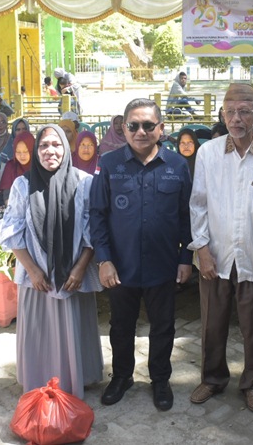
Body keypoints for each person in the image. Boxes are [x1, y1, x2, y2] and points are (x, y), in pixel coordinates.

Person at [187, 83, 253, 413]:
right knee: (212, 323)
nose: (236, 118)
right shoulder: (208, 153)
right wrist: (202, 249)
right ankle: (212, 378)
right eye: (230, 111)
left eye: (244, 112)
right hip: (215, 255)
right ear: (222, 114)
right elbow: (198, 204)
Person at [90, 98, 194, 411]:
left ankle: (160, 379)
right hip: (121, 266)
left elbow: (187, 216)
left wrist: (185, 259)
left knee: (163, 326)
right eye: (133, 125)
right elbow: (97, 215)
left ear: (161, 128)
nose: (141, 131)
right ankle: (122, 376)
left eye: (148, 125)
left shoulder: (177, 166)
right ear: (123, 128)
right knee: (121, 326)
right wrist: (104, 259)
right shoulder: (109, 164)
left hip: (163, 264)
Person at [0, 124, 103, 398]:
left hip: (73, 276)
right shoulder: (23, 185)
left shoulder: (85, 182)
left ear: (66, 149)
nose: (50, 151)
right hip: (37, 278)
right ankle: (39, 382)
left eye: (56, 145)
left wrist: (80, 268)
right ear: (36, 151)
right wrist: (33, 270)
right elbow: (12, 230)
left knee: (72, 328)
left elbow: (94, 231)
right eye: (44, 145)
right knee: (40, 330)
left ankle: (76, 380)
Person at [0, 131, 34, 206]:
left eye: (26, 151)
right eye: (18, 152)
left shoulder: (39, 167)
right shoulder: (11, 166)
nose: (22, 156)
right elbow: (7, 195)